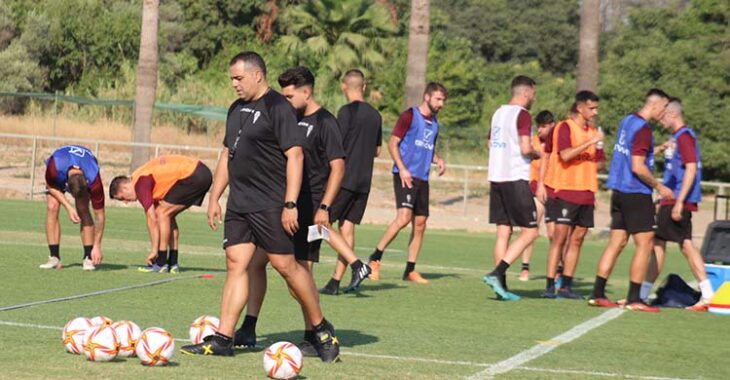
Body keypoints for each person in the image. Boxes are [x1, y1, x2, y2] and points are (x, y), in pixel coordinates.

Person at [180, 52, 339, 362]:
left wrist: (290, 203)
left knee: (286, 267)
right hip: (240, 204)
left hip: (270, 203)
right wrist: (215, 196)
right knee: (236, 264)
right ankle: (224, 337)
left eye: (238, 78)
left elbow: (296, 156)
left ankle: (320, 327)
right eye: (232, 79)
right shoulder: (236, 109)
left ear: (257, 75)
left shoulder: (278, 107)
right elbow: (228, 153)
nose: (234, 84)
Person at [233, 67, 371, 355]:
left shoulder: (325, 122)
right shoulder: (289, 116)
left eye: (289, 95)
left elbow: (338, 167)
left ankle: (315, 332)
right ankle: (249, 325)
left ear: (306, 92)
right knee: (257, 264)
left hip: (308, 207)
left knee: (298, 274)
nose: (285, 99)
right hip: (281, 205)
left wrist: (324, 206)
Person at [588, 88, 672, 312]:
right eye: (664, 107)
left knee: (616, 243)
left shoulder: (628, 121)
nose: (664, 113)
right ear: (655, 105)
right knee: (645, 244)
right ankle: (635, 298)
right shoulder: (644, 129)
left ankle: (597, 293)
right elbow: (637, 166)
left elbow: (632, 153)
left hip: (618, 190)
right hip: (636, 192)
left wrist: (656, 150)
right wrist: (659, 186)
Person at [367, 82, 448, 284]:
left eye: (443, 100)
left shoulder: (435, 123)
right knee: (403, 218)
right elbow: (393, 142)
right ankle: (374, 258)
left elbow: (427, 148)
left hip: (423, 177)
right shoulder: (409, 116)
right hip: (405, 175)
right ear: (427, 97)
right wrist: (402, 168)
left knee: (420, 224)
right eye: (438, 99)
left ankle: (410, 270)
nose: (441, 104)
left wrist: (437, 159)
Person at [644, 98, 714, 311]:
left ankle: (640, 294)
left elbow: (691, 169)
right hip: (671, 199)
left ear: (673, 114)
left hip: (678, 200)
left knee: (673, 244)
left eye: (664, 115)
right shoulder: (676, 138)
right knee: (674, 243)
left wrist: (679, 202)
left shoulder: (684, 137)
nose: (661, 119)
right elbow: (675, 172)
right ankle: (707, 293)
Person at [320, 69, 383, 295]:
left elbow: (335, 146)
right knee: (347, 228)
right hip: (364, 180)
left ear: (343, 86)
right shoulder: (376, 115)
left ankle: (358, 265)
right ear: (363, 87)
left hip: (344, 178)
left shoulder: (346, 112)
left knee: (320, 224)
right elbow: (376, 151)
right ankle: (335, 281)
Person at [483, 75, 541, 301]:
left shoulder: (498, 113)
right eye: (533, 93)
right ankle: (497, 273)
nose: (534, 97)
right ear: (526, 93)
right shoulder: (523, 115)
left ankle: (501, 288)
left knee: (503, 232)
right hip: (515, 178)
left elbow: (490, 143)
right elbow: (526, 148)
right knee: (531, 231)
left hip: (496, 177)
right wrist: (539, 153)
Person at [542, 91, 605, 299]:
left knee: (577, 239)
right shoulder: (565, 127)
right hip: (566, 190)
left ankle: (566, 285)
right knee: (559, 239)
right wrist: (589, 143)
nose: (595, 112)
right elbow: (566, 155)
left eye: (596, 108)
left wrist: (599, 145)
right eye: (592, 108)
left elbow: (600, 162)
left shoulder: (594, 131)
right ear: (580, 108)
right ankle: (550, 285)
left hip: (586, 192)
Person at [109, 155, 213, 273]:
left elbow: (151, 218)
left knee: (162, 213)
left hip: (194, 174)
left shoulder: (140, 183)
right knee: (168, 214)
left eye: (122, 198)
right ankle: (173, 262)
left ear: (125, 188)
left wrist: (154, 250)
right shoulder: (139, 177)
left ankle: (161, 262)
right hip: (200, 172)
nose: (126, 202)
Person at [41, 145, 105, 271]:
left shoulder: (94, 178)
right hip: (60, 168)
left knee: (83, 209)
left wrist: (97, 245)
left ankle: (88, 257)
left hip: (84, 164)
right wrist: (68, 207)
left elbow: (100, 216)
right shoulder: (55, 167)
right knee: (52, 206)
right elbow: (50, 187)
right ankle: (54, 257)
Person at [518, 110, 556, 282]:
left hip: (554, 190)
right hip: (534, 190)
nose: (540, 130)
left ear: (551, 125)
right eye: (538, 126)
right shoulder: (532, 142)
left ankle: (557, 271)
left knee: (554, 234)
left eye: (543, 126)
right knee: (531, 229)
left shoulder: (557, 142)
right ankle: (525, 268)